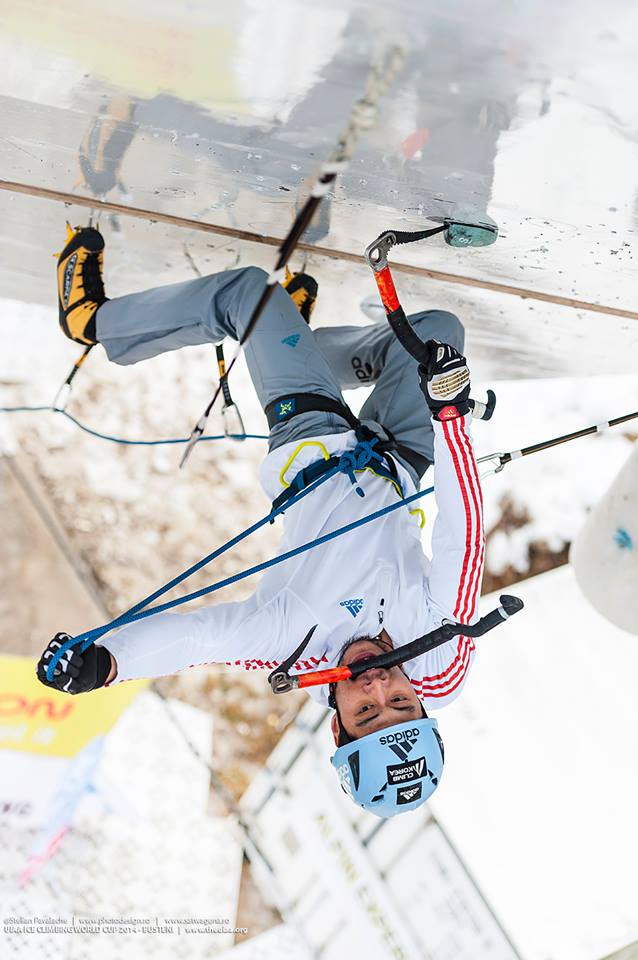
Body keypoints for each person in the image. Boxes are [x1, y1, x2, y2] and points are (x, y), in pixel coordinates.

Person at [38, 225, 484, 818]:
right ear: (422, 703)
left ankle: (96, 323)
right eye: (400, 702)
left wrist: (108, 662)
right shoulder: (441, 659)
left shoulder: (290, 643)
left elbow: (200, 640)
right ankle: (288, 343)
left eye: (366, 712)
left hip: (317, 446)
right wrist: (449, 414)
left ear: (338, 728)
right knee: (436, 334)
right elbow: (463, 534)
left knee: (250, 295)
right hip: (401, 458)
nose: (378, 687)